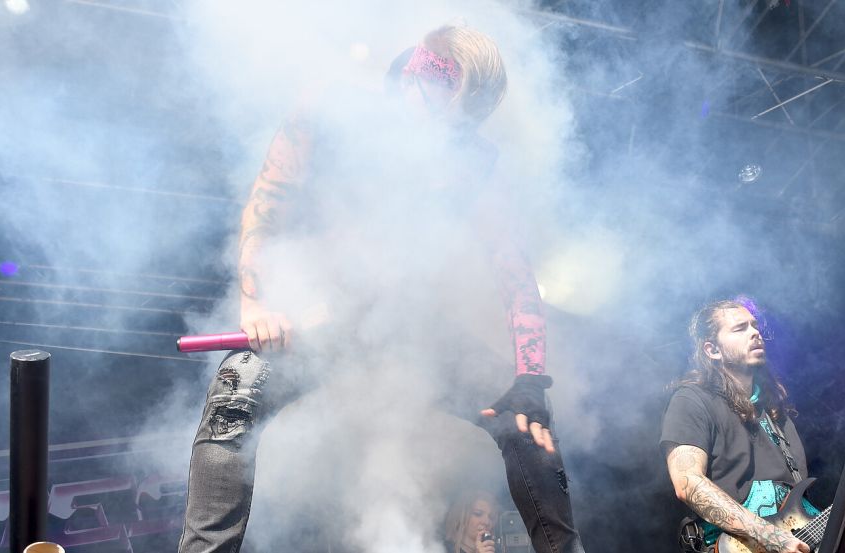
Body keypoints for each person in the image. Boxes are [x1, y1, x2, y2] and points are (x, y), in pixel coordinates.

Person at [177, 24, 584, 553]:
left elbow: (516, 276)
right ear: (414, 80)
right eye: (443, 116)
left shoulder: (474, 163)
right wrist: (256, 303)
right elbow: (269, 199)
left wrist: (531, 380)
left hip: (407, 327)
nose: (446, 135)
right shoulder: (329, 109)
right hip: (317, 317)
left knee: (523, 423)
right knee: (235, 391)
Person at [660, 299, 845, 553]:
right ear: (712, 350)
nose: (755, 332)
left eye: (754, 325)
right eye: (740, 328)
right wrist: (768, 536)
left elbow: (800, 519)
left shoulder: (777, 417)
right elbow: (687, 483)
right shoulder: (692, 400)